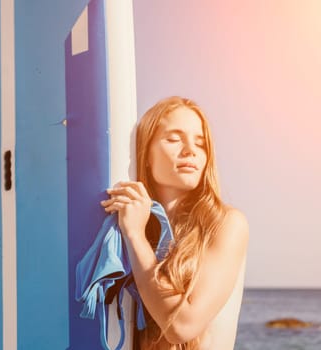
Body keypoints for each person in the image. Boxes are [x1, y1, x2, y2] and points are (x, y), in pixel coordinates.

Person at [100, 96, 249, 350]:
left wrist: (134, 235)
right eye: (173, 139)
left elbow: (182, 326)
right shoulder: (130, 227)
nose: (190, 150)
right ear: (145, 153)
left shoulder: (227, 224)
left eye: (200, 143)